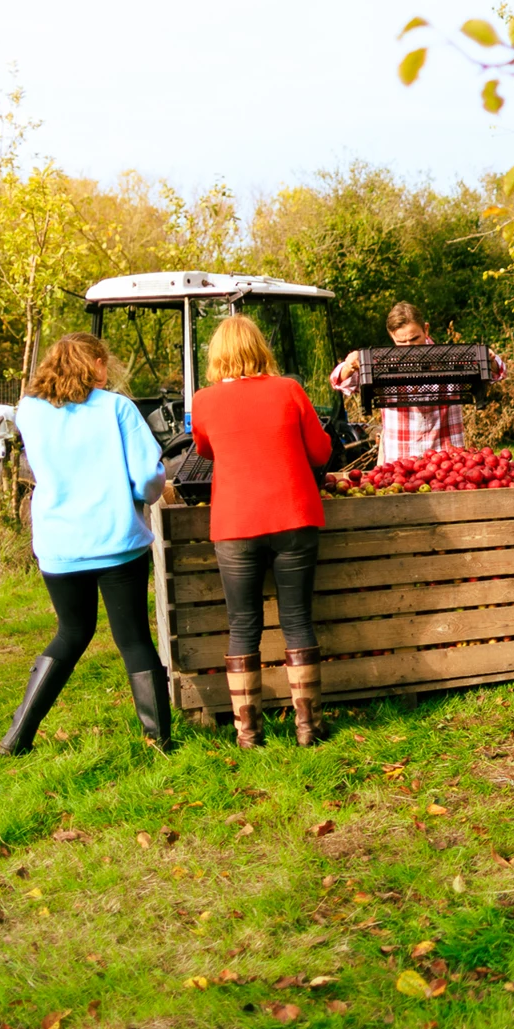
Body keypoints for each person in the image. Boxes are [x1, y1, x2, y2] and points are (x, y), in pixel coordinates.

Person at [5, 333, 169, 755]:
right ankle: (157, 740)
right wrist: (142, 495)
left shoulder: (30, 411)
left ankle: (17, 735)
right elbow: (149, 476)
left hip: (60, 544)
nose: (107, 370)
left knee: (72, 631)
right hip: (116, 540)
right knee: (133, 638)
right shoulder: (117, 408)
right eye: (104, 363)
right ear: (95, 364)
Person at [193, 316, 333, 748]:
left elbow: (203, 449)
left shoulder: (204, 401)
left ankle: (248, 732)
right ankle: (307, 726)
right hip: (293, 514)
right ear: (260, 349)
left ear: (217, 356)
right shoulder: (289, 389)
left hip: (235, 523)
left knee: (242, 624)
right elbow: (321, 451)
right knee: (296, 620)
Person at [329, 301, 506, 463]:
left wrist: (489, 360)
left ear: (426, 330)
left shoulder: (453, 359)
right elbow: (338, 381)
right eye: (401, 341)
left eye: (414, 339)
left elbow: (497, 372)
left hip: (447, 461)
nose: (409, 347)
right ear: (392, 336)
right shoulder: (380, 364)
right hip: (400, 461)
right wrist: (349, 366)